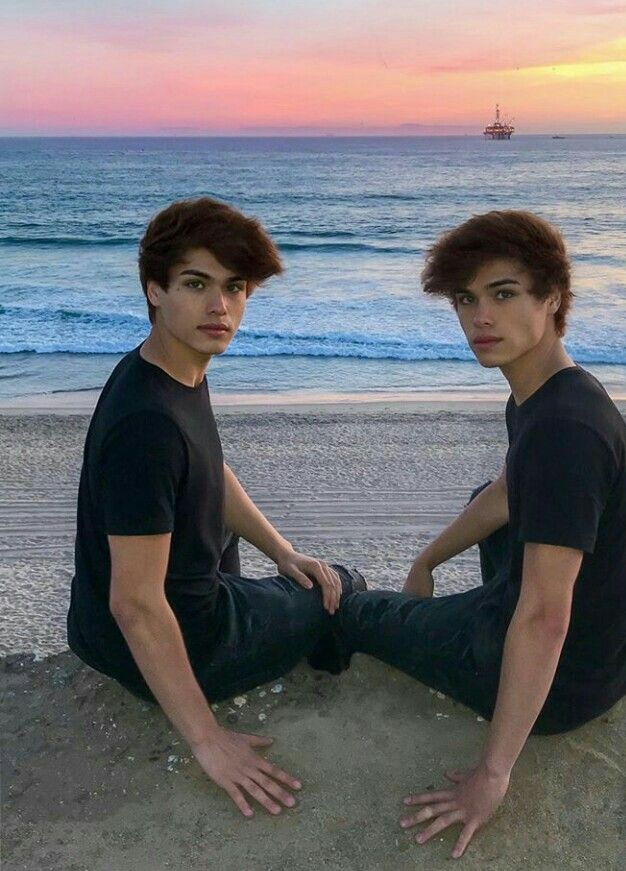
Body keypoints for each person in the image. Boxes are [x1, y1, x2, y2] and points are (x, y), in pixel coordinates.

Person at [338, 210, 626, 859]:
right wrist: (428, 558)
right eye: (465, 299)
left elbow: (543, 618)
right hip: (611, 657)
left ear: (552, 298)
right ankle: (473, 611)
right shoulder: (550, 393)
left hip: (564, 686)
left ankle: (369, 604)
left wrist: (493, 774)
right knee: (489, 492)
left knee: (362, 613)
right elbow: (509, 493)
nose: (480, 317)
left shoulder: (564, 433)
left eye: (503, 294)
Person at [67, 197, 365, 820]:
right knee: (346, 586)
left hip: (100, 625)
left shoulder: (164, 369)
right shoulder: (147, 425)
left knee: (293, 571)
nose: (219, 307)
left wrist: (283, 553)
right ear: (155, 289)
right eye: (196, 285)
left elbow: (208, 472)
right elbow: (137, 604)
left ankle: (274, 599)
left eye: (234, 288)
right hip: (178, 641)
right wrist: (208, 740)